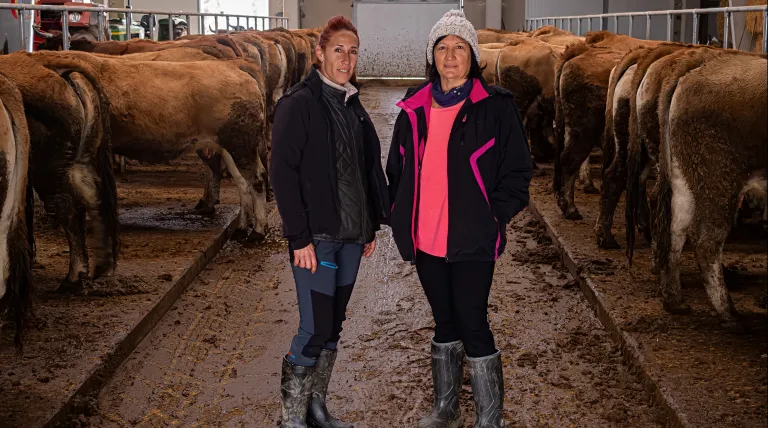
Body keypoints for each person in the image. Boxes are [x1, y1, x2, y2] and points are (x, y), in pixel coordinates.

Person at [385, 10, 532, 428]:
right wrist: (398, 213)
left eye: (460, 47)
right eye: (443, 47)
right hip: (427, 236)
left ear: (473, 56)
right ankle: (446, 408)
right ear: (432, 56)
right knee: (444, 320)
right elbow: (396, 169)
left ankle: (490, 417)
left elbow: (518, 172)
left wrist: (493, 215)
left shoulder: (496, 108)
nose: (451, 56)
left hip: (471, 237)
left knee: (473, 321)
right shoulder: (414, 108)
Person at [270, 15, 389, 428]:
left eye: (353, 51)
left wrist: (370, 223)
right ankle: (291, 418)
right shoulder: (298, 105)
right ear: (320, 53)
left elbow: (364, 170)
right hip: (317, 239)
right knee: (313, 327)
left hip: (352, 237)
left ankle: (316, 408)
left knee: (333, 327)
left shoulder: (353, 104)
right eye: (338, 49)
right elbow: (282, 175)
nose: (346, 58)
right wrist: (297, 236)